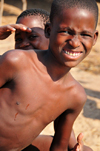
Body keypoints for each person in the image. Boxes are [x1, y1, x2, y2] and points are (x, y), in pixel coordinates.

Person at [0, 0, 98, 149]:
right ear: (48, 31)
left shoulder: (75, 95)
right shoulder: (15, 61)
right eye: (66, 31)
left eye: (85, 34)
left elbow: (60, 144)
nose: (75, 42)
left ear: (95, 38)